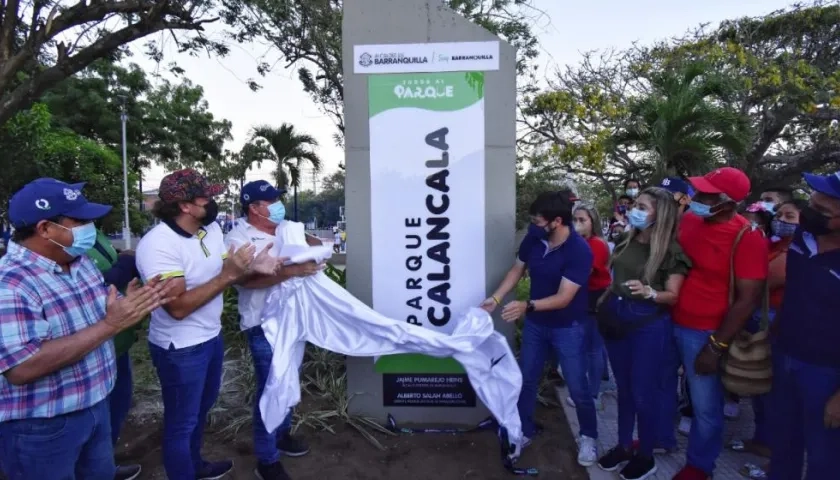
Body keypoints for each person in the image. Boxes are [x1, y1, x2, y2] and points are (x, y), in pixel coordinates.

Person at [0, 178, 170, 480]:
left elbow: (97, 314)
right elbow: (22, 367)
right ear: (45, 229)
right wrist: (110, 325)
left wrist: (127, 304)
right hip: (43, 427)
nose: (89, 227)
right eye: (79, 221)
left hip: (95, 405)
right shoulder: (11, 283)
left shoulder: (78, 263)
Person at [135, 169, 257, 480]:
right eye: (205, 197)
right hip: (180, 348)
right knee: (181, 423)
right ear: (185, 206)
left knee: (201, 411)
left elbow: (227, 264)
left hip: (211, 337)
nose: (212, 201)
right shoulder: (158, 245)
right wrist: (228, 276)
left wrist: (252, 265)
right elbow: (177, 308)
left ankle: (195, 464)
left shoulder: (209, 228)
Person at [481, 190, 598, 467]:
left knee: (578, 387)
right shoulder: (535, 239)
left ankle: (589, 437)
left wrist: (526, 306)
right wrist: (496, 299)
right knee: (526, 379)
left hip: (567, 327)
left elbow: (564, 297)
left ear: (556, 221)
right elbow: (516, 271)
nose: (533, 226)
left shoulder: (579, 251)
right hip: (536, 326)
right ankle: (523, 430)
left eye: (538, 221)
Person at [671, 167, 768, 480]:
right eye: (698, 191)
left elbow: (747, 298)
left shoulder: (747, 237)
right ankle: (657, 439)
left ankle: (700, 466)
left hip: (705, 332)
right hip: (667, 319)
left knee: (705, 407)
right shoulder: (689, 220)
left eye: (706, 195)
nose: (697, 198)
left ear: (728, 203)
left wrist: (716, 347)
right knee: (661, 387)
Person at [225, 180, 323, 480]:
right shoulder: (239, 239)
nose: (278, 204)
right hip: (263, 326)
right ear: (254, 208)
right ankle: (267, 459)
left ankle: (282, 435)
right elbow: (242, 282)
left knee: (288, 379)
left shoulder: (284, 229)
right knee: (271, 388)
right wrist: (290, 271)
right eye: (272, 201)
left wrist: (306, 240)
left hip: (293, 321)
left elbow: (316, 246)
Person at [596, 187, 690, 480]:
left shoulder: (670, 251)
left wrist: (650, 292)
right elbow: (616, 276)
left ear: (659, 214)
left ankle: (646, 455)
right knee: (624, 390)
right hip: (618, 319)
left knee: (643, 393)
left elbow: (672, 296)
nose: (633, 210)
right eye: (634, 204)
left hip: (648, 325)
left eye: (641, 206)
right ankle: (624, 446)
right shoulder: (626, 239)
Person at [767, 171, 840, 480]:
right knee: (782, 446)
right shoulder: (801, 237)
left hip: (826, 374)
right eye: (810, 204)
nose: (810, 213)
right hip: (785, 356)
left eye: (822, 211)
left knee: (824, 458)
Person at [733, 198, 805, 480]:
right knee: (760, 384)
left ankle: (777, 459)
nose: (782, 220)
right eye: (780, 215)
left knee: (776, 392)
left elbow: (766, 277)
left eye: (790, 216)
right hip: (762, 314)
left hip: (776, 318)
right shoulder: (775, 244)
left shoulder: (795, 251)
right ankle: (762, 441)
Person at [86, 228, 144, 480]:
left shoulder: (92, 234)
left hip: (116, 346)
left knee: (115, 411)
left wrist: (120, 259)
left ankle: (104, 467)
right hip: (90, 348)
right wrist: (124, 264)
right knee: (90, 422)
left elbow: (108, 267)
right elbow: (98, 282)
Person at [564, 205, 611, 410]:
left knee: (594, 348)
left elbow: (584, 271)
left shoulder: (597, 244)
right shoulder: (581, 243)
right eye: (575, 219)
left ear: (593, 222)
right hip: (584, 297)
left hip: (596, 298)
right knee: (588, 347)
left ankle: (593, 394)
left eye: (582, 220)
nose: (577, 224)